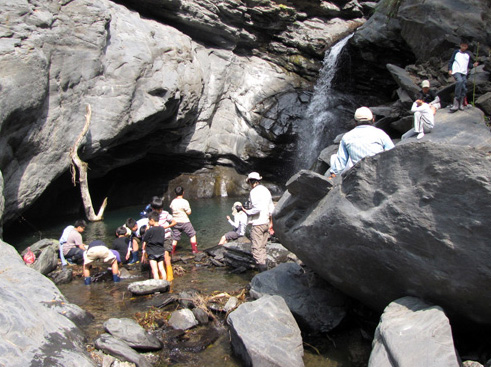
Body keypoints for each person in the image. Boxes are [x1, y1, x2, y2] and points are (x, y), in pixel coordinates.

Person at [327, 107, 395, 178]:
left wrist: (332, 176)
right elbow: (392, 153)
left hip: (359, 175)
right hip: (379, 172)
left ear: (355, 122)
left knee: (334, 157)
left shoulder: (347, 137)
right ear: (373, 120)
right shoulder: (381, 134)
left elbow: (341, 163)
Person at [241, 172, 274, 272]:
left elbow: (257, 208)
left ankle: (263, 272)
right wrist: (271, 223)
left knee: (256, 249)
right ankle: (266, 270)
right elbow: (271, 208)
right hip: (266, 223)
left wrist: (245, 211)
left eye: (249, 182)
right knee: (263, 247)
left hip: (258, 224)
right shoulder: (266, 190)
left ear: (251, 181)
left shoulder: (254, 192)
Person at [148, 197, 176, 280]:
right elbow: (149, 226)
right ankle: (160, 275)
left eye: (161, 209)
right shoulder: (151, 216)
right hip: (157, 239)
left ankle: (170, 276)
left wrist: (167, 226)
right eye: (158, 209)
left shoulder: (165, 214)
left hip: (166, 237)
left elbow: (174, 222)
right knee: (159, 257)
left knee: (166, 255)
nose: (160, 211)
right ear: (153, 209)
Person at [448, 40, 478, 112]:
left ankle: (461, 104)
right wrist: (450, 69)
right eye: (462, 45)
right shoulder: (456, 52)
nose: (463, 47)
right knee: (459, 81)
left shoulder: (467, 54)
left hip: (464, 72)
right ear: (460, 45)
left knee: (464, 87)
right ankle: (456, 102)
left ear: (467, 47)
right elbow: (451, 61)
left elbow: (469, 65)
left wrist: (473, 65)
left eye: (465, 46)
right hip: (456, 70)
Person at [142, 211, 171, 280]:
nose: (148, 222)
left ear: (152, 220)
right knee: (162, 268)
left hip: (152, 252)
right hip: (161, 251)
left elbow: (145, 241)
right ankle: (165, 284)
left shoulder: (149, 230)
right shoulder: (162, 229)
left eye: (149, 220)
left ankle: (157, 288)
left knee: (155, 271)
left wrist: (143, 252)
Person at [170, 186, 199, 254]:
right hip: (185, 221)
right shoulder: (185, 202)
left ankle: (172, 251)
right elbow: (189, 212)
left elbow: (172, 210)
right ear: (183, 192)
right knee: (192, 234)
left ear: (175, 193)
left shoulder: (173, 202)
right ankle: (194, 250)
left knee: (175, 237)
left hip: (176, 222)